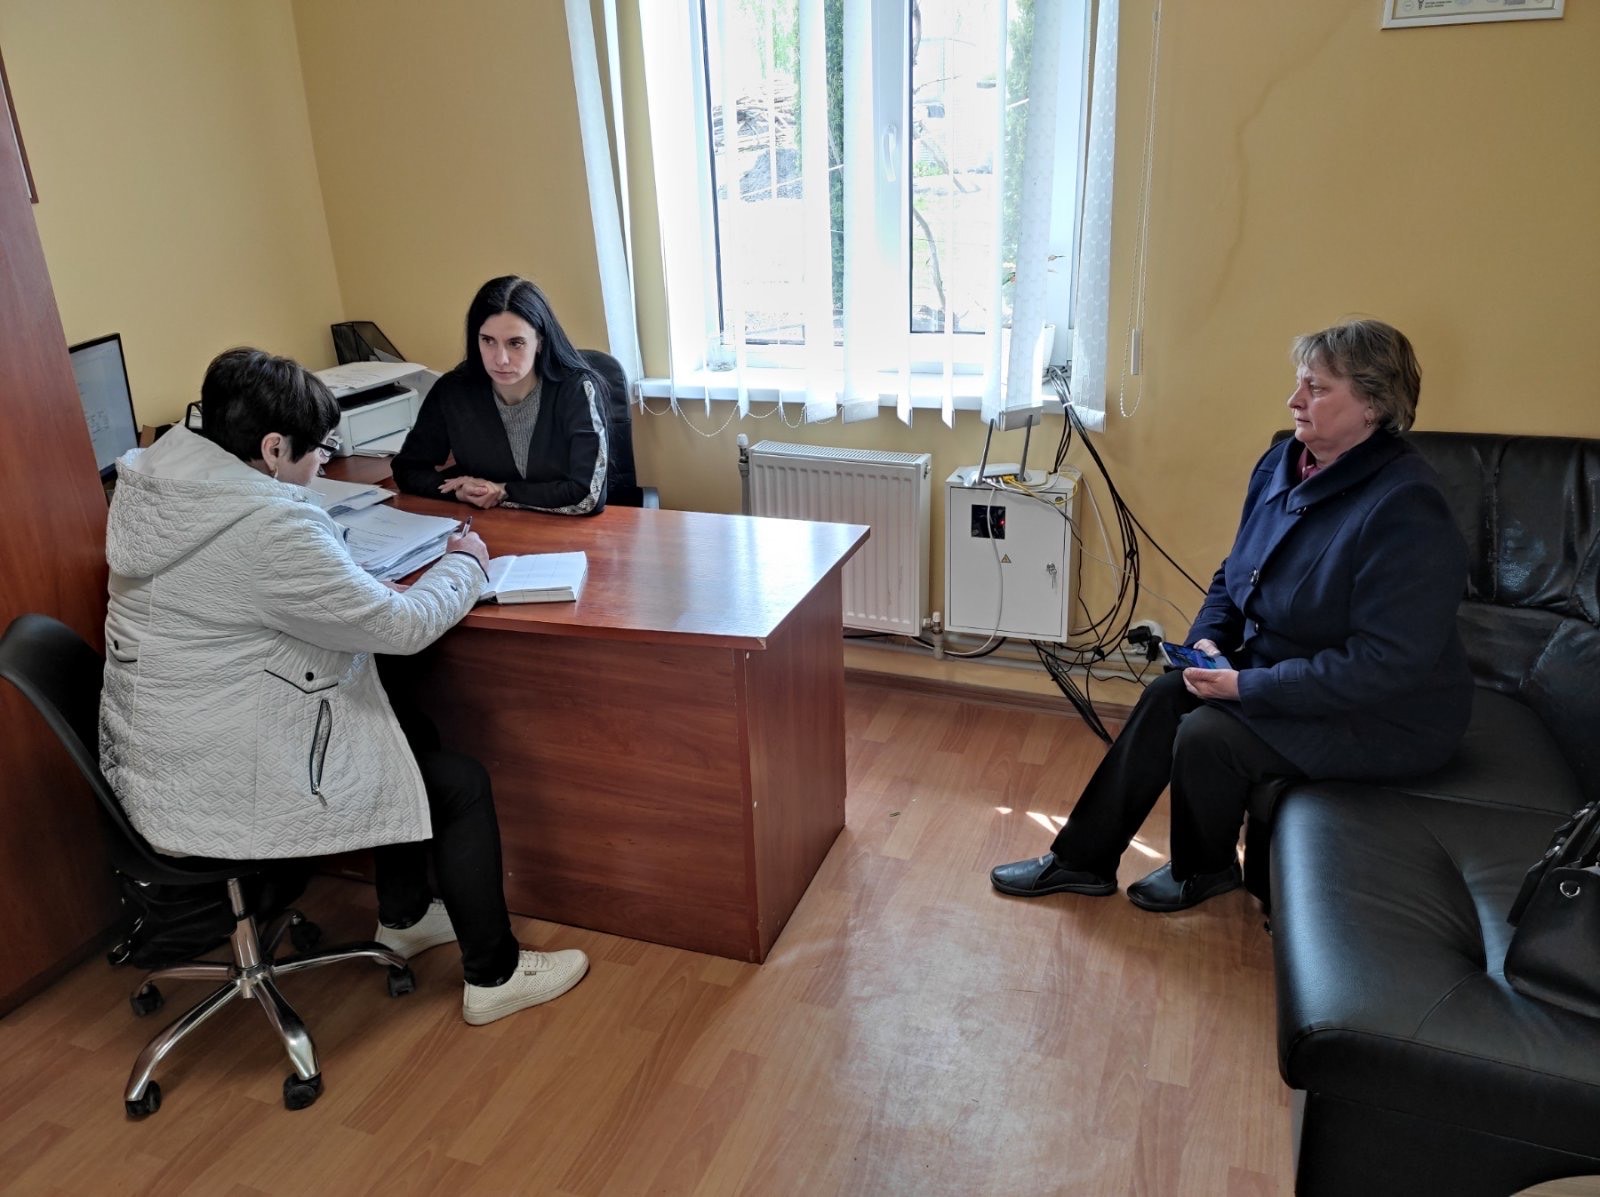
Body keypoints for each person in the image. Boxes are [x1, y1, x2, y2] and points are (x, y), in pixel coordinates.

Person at [100, 347, 588, 1024]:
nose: (325, 464)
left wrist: (341, 582)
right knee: (460, 784)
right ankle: (495, 974)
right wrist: (465, 563)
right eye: (319, 451)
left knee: (404, 725)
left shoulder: (157, 484)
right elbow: (404, 626)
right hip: (218, 780)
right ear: (273, 448)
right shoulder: (267, 526)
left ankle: (405, 915)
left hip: (161, 755)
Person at [991, 319, 1474, 912]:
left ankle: (1205, 870)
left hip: (1382, 715)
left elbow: (1385, 664)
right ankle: (1080, 860)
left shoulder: (1405, 506)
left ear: (1373, 404)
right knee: (1166, 696)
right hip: (1286, 671)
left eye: (1317, 389)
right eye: (1299, 382)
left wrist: (1248, 686)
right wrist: (1209, 642)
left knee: (1208, 734)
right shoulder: (1282, 463)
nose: (1294, 400)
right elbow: (1234, 572)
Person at [393, 275, 609, 515]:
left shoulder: (576, 389)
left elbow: (588, 496)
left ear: (540, 341)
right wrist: (460, 491)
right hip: (488, 528)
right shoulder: (453, 390)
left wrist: (503, 491)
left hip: (567, 532)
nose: (500, 359)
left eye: (515, 343)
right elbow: (407, 470)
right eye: (488, 341)